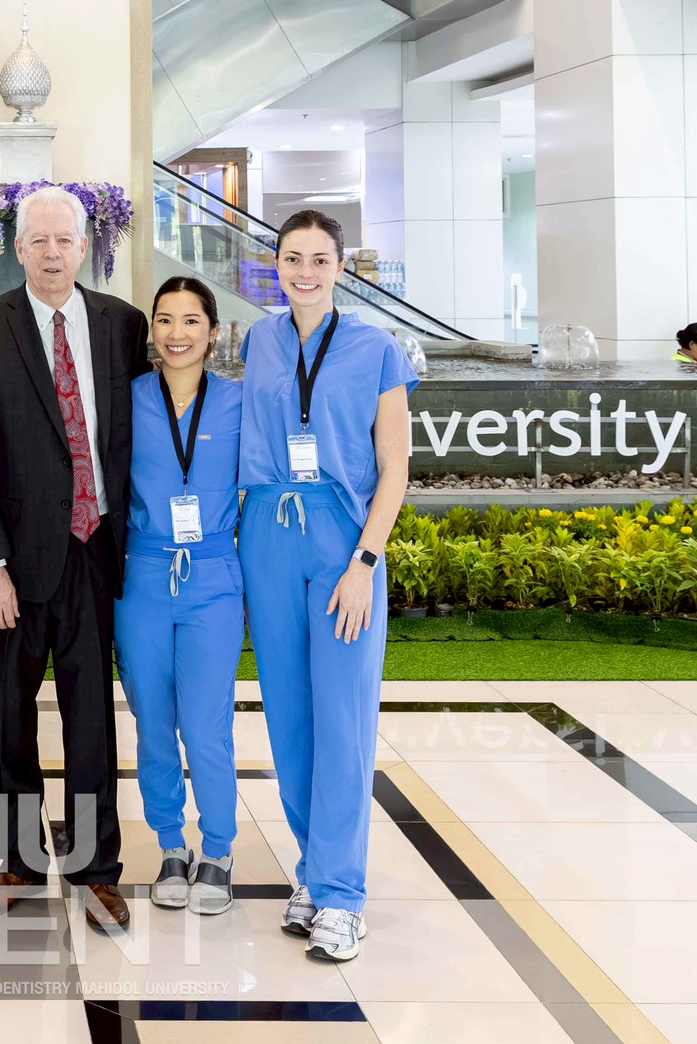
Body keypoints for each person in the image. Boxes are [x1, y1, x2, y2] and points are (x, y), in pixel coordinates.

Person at [0, 186, 148, 932]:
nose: (52, 253)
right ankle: (18, 862)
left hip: (94, 551)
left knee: (92, 719)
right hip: (13, 564)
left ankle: (97, 870)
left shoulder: (121, 324)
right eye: (38, 240)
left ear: (85, 246)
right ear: (17, 249)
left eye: (65, 240)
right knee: (9, 719)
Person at [237, 209, 418, 962]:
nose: (305, 271)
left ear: (340, 267)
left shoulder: (378, 350)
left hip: (342, 542)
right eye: (292, 258)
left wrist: (365, 563)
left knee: (342, 718)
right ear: (275, 265)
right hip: (267, 536)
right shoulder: (259, 340)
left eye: (319, 259)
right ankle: (314, 872)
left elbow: (395, 468)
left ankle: (343, 896)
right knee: (289, 717)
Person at [116, 275, 245, 915]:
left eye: (191, 321)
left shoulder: (239, 403)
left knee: (204, 723)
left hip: (214, 576)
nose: (176, 334)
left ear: (213, 332)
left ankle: (217, 847)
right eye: (164, 320)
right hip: (142, 573)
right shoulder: (128, 398)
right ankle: (170, 842)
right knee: (153, 720)